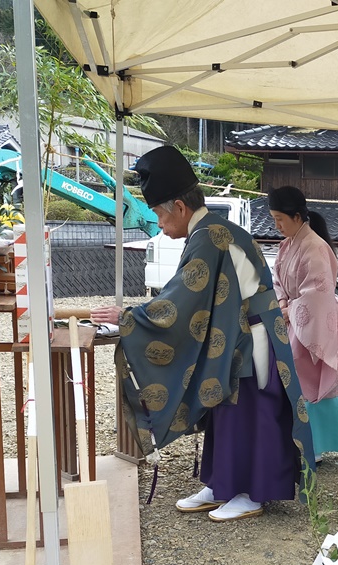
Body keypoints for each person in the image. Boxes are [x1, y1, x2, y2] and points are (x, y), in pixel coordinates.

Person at [91, 146, 314, 522]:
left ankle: (251, 493)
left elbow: (181, 299)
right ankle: (222, 483)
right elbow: (187, 290)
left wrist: (129, 317)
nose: (159, 225)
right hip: (241, 335)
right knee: (226, 413)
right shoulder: (213, 231)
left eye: (159, 216)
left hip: (251, 341)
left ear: (179, 207)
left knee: (250, 414)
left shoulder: (209, 235)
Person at [267, 186, 338, 460]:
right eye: (274, 218)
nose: (276, 225)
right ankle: (300, 440)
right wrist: (284, 305)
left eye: (280, 219)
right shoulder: (287, 245)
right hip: (295, 319)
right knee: (293, 382)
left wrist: (289, 309)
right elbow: (277, 282)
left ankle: (317, 446)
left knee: (313, 380)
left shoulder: (315, 247)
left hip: (315, 323)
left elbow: (318, 292)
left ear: (297, 217)